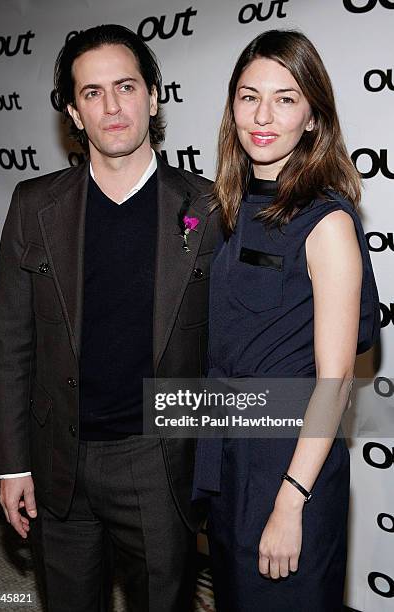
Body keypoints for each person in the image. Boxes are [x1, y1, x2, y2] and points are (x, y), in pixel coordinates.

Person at [0, 24, 219, 612]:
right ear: (73, 110)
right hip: (57, 456)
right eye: (92, 93)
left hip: (156, 457)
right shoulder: (33, 205)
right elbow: (13, 343)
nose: (112, 106)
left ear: (154, 95)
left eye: (126, 86)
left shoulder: (210, 207)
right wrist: (12, 464)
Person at [193, 29, 380, 611]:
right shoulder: (227, 205)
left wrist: (291, 500)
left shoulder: (326, 223)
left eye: (285, 97)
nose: (262, 115)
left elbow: (335, 379)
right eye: (249, 97)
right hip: (227, 449)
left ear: (313, 118)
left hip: (290, 458)